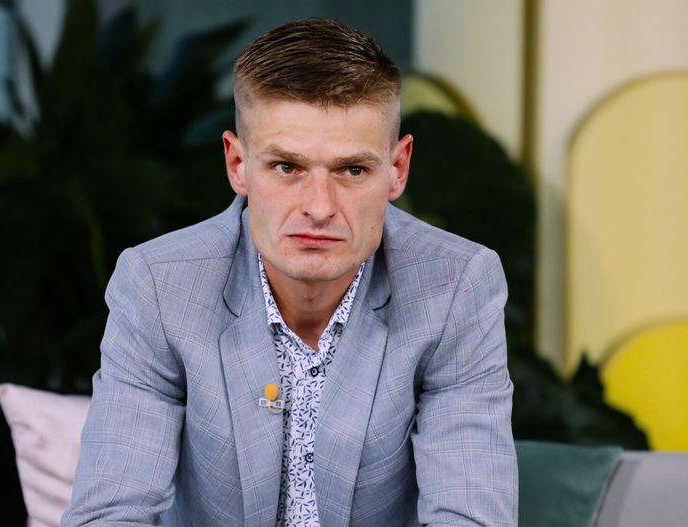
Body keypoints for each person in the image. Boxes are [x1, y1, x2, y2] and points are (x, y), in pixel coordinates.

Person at [62, 18, 517, 527]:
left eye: (352, 170)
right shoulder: (160, 285)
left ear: (397, 169)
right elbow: (110, 514)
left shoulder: (456, 285)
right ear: (237, 164)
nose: (319, 208)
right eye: (287, 167)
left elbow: (471, 515)